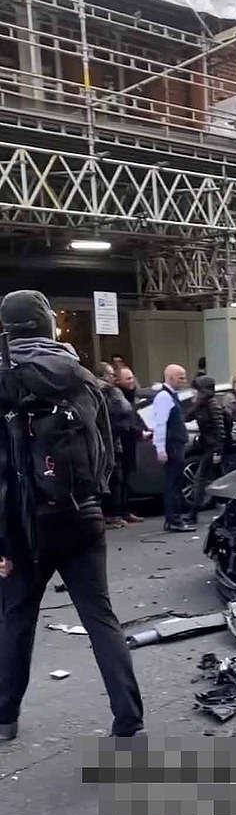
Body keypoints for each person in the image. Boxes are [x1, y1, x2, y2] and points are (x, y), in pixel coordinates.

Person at [0, 289, 144, 742]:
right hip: (83, 514)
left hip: (24, 524)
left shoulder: (6, 379)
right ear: (48, 326)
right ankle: (129, 720)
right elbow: (109, 445)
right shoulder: (80, 375)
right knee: (100, 617)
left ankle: (5, 718)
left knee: (16, 617)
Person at [152, 363, 195, 533]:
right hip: (172, 445)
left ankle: (175, 517)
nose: (184, 380)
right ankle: (173, 519)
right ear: (170, 377)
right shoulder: (164, 397)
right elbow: (160, 424)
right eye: (180, 376)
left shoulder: (171, 395)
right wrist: (160, 448)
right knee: (173, 484)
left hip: (176, 444)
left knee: (176, 483)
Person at [94, 361, 136, 529]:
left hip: (101, 440)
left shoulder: (92, 391)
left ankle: (112, 513)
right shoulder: (109, 392)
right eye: (111, 375)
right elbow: (125, 409)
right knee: (115, 479)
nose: (113, 378)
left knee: (110, 479)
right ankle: (114, 514)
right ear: (103, 375)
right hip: (111, 440)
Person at [114, 364, 152, 524]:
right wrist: (139, 432)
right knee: (119, 480)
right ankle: (118, 512)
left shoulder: (130, 398)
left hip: (129, 444)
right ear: (118, 380)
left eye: (132, 377)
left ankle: (124, 511)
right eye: (128, 378)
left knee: (126, 478)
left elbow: (134, 418)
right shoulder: (117, 398)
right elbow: (123, 422)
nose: (132, 381)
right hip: (120, 444)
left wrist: (143, 430)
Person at [188, 375, 224, 522]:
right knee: (206, 480)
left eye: (197, 390)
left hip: (213, 448)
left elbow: (219, 429)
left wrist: (218, 451)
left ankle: (193, 513)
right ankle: (194, 513)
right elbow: (187, 417)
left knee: (202, 480)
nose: (195, 393)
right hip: (207, 446)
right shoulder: (201, 405)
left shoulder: (213, 405)